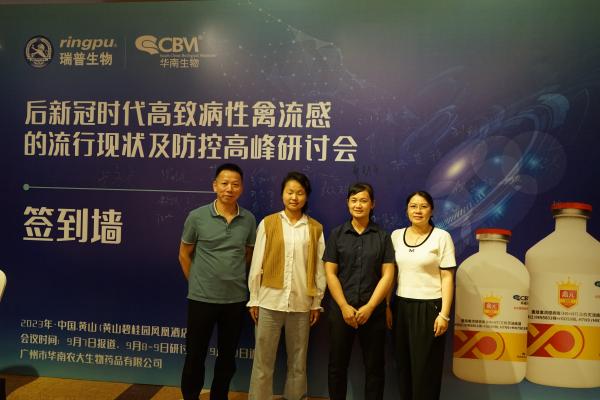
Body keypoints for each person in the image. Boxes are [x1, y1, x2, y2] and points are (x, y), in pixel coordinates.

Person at [179, 163, 257, 400]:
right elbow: (184, 254)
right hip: (201, 298)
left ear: (241, 188)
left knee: (227, 357)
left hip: (235, 299)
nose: (229, 189)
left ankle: (219, 396)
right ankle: (190, 396)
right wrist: (197, 282)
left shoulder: (249, 219)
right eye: (224, 183)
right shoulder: (197, 216)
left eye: (235, 184)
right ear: (215, 186)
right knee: (195, 355)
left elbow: (248, 255)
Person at [247, 171, 326, 400]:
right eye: (290, 192)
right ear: (282, 194)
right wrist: (254, 298)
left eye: (299, 193)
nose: (294, 197)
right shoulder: (268, 223)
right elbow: (257, 263)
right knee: (263, 362)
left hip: (301, 304)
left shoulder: (315, 228)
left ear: (306, 196)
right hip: (269, 302)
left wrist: (316, 302)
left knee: (298, 362)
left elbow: (319, 268)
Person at [323, 182, 395, 400]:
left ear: (372, 204)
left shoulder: (382, 237)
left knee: (375, 368)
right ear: (347, 203)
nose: (358, 205)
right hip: (341, 311)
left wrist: (371, 306)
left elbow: (388, 275)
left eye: (364, 200)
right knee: (337, 365)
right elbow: (330, 273)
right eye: (354, 200)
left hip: (373, 312)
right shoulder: (337, 234)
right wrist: (343, 306)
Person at [388, 190, 456, 400]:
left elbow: (447, 278)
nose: (418, 211)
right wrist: (387, 306)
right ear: (407, 210)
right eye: (413, 206)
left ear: (432, 210)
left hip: (430, 309)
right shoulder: (396, 236)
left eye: (423, 206)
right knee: (403, 365)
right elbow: (391, 275)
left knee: (426, 368)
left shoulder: (442, 237)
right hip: (401, 306)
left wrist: (444, 315)